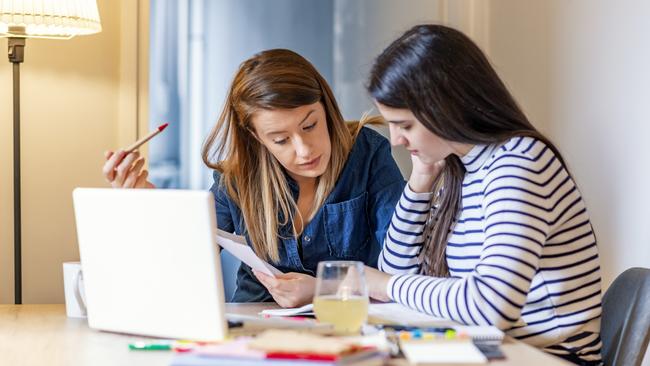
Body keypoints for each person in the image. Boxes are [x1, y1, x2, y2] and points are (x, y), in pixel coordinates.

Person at [364, 25, 602, 365]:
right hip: (496, 352)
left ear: (444, 107)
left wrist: (384, 285)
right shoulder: (463, 167)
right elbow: (397, 272)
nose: (396, 140)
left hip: (548, 358)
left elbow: (490, 307)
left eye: (405, 125)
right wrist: (420, 181)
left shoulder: (519, 163)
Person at [103, 49, 405, 308]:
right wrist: (142, 203)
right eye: (280, 139)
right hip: (252, 327)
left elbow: (401, 272)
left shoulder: (368, 154)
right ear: (256, 137)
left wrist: (323, 289)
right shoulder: (237, 177)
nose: (303, 150)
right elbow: (185, 263)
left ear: (325, 106)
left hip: (346, 324)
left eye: (310, 125)